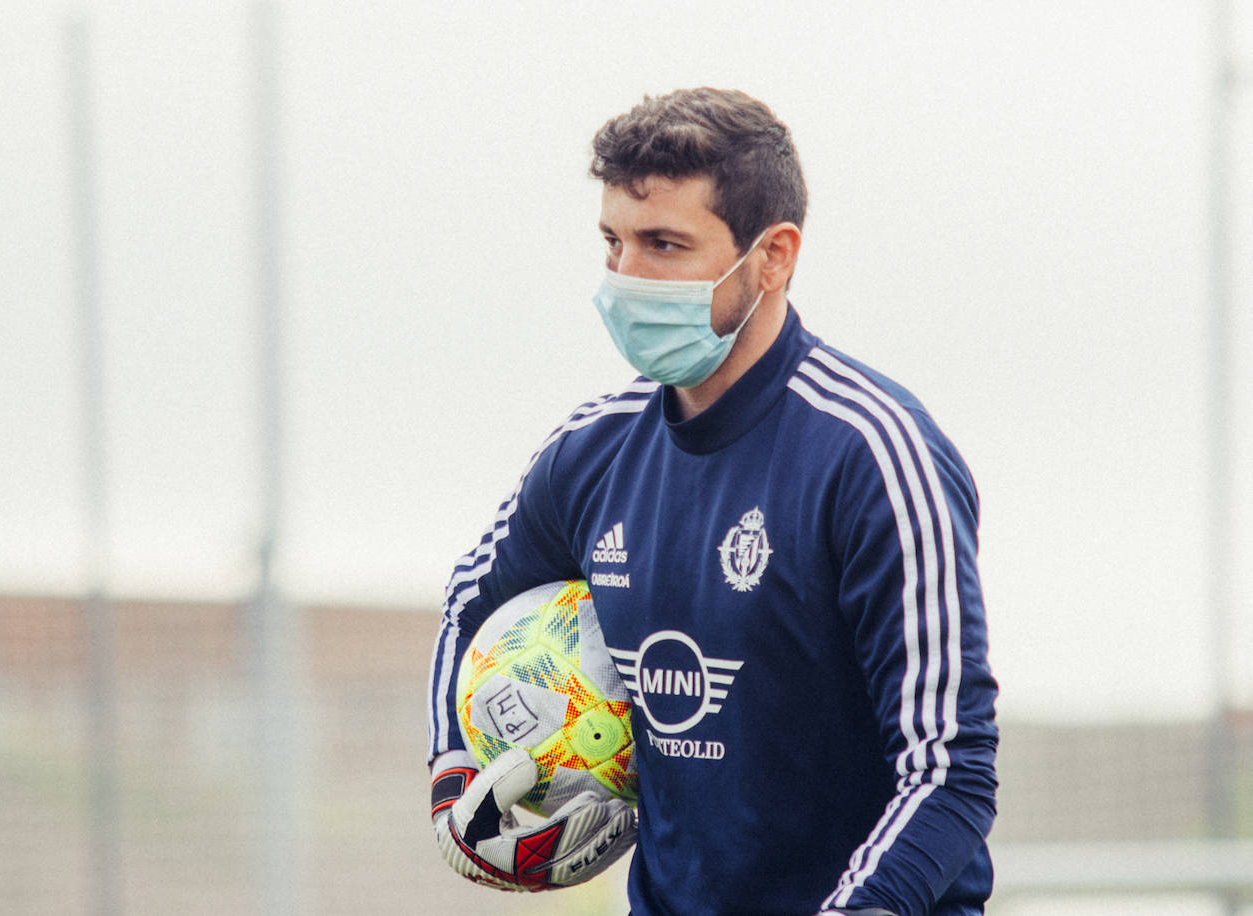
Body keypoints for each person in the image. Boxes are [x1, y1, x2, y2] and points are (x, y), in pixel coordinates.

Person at [425, 87, 998, 916]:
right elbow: (465, 607)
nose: (626, 279)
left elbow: (950, 769)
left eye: (664, 244)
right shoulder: (591, 454)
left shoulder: (873, 454)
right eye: (613, 243)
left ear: (774, 257)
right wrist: (453, 772)